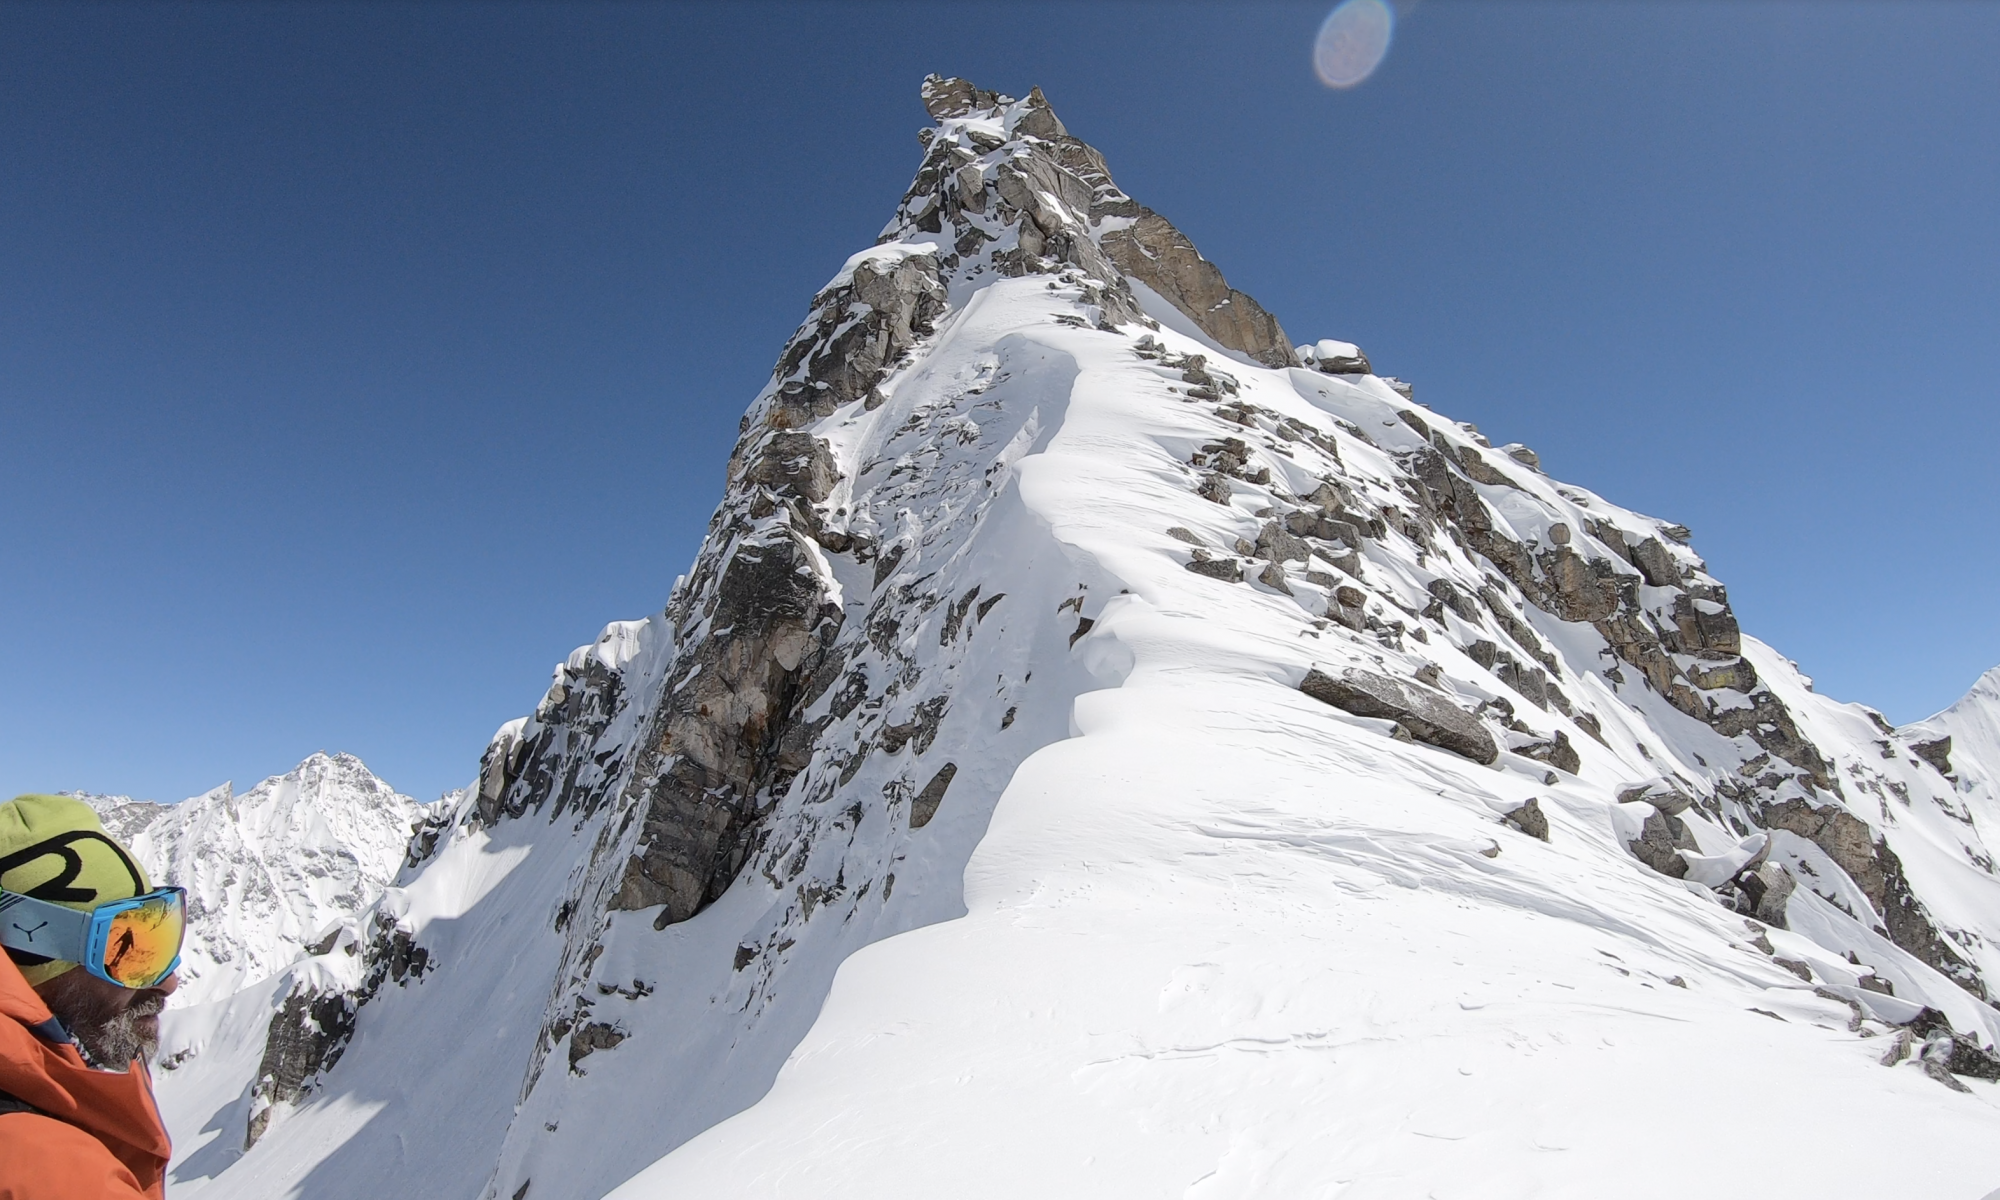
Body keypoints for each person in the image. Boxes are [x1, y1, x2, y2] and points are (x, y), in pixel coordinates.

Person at [0, 795, 179, 1199]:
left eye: (165, 931)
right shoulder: (58, 1177)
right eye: (129, 948)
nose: (170, 982)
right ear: (33, 953)